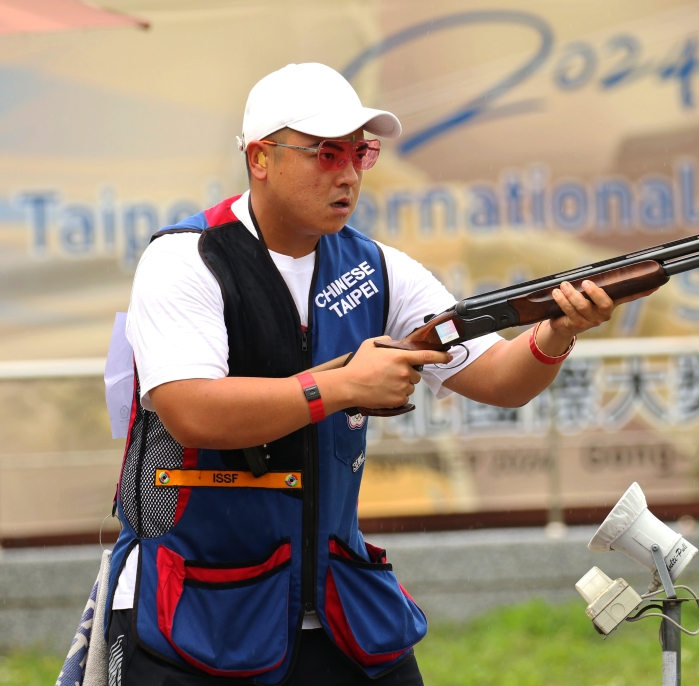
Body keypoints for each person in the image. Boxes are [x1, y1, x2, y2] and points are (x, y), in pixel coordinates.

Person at [105, 62, 654, 686]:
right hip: (200, 613)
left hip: (343, 606)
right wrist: (342, 386)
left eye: (360, 153)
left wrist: (557, 332)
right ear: (260, 158)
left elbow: (497, 379)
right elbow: (190, 409)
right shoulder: (184, 259)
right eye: (325, 153)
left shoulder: (380, 267)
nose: (347, 174)